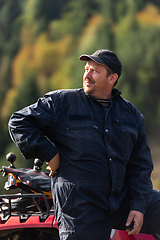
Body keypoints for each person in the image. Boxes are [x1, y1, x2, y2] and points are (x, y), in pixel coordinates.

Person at [8, 49, 160, 240]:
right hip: (80, 204)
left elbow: (140, 166)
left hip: (121, 199)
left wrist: (138, 206)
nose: (87, 74)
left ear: (112, 78)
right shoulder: (62, 102)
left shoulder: (131, 114)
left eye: (95, 71)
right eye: (87, 69)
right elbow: (19, 122)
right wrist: (51, 155)